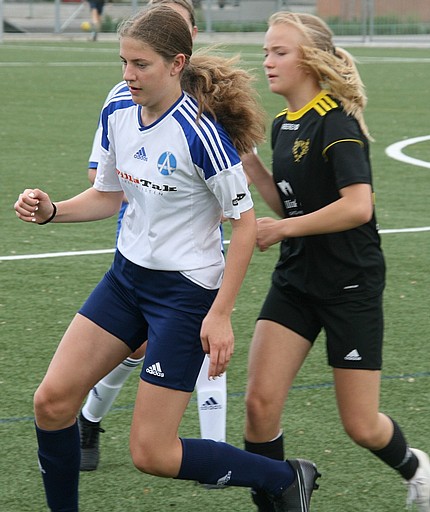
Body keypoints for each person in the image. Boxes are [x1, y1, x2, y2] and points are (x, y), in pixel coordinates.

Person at [14, 7, 320, 512]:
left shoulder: (201, 135)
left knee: (152, 453)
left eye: (141, 64)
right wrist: (52, 212)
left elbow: (244, 225)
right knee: (51, 402)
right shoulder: (118, 108)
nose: (128, 74)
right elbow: (108, 196)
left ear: (177, 64)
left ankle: (285, 477)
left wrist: (220, 314)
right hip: (125, 281)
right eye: (123, 62)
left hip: (184, 295)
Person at [241, 11, 430, 512]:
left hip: (350, 284)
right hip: (296, 279)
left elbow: (357, 206)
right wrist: (251, 163)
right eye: (266, 51)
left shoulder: (336, 122)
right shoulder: (283, 124)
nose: (268, 61)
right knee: (259, 405)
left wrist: (281, 229)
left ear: (309, 60)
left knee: (361, 425)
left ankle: (416, 468)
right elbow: (291, 203)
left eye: (279, 52)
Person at [79, 0, 227, 473]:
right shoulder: (123, 99)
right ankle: (89, 419)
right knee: (134, 347)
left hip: (189, 260)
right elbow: (103, 180)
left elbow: (236, 187)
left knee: (207, 342)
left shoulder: (208, 108)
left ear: (186, 44)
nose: (131, 71)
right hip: (135, 248)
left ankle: (215, 453)